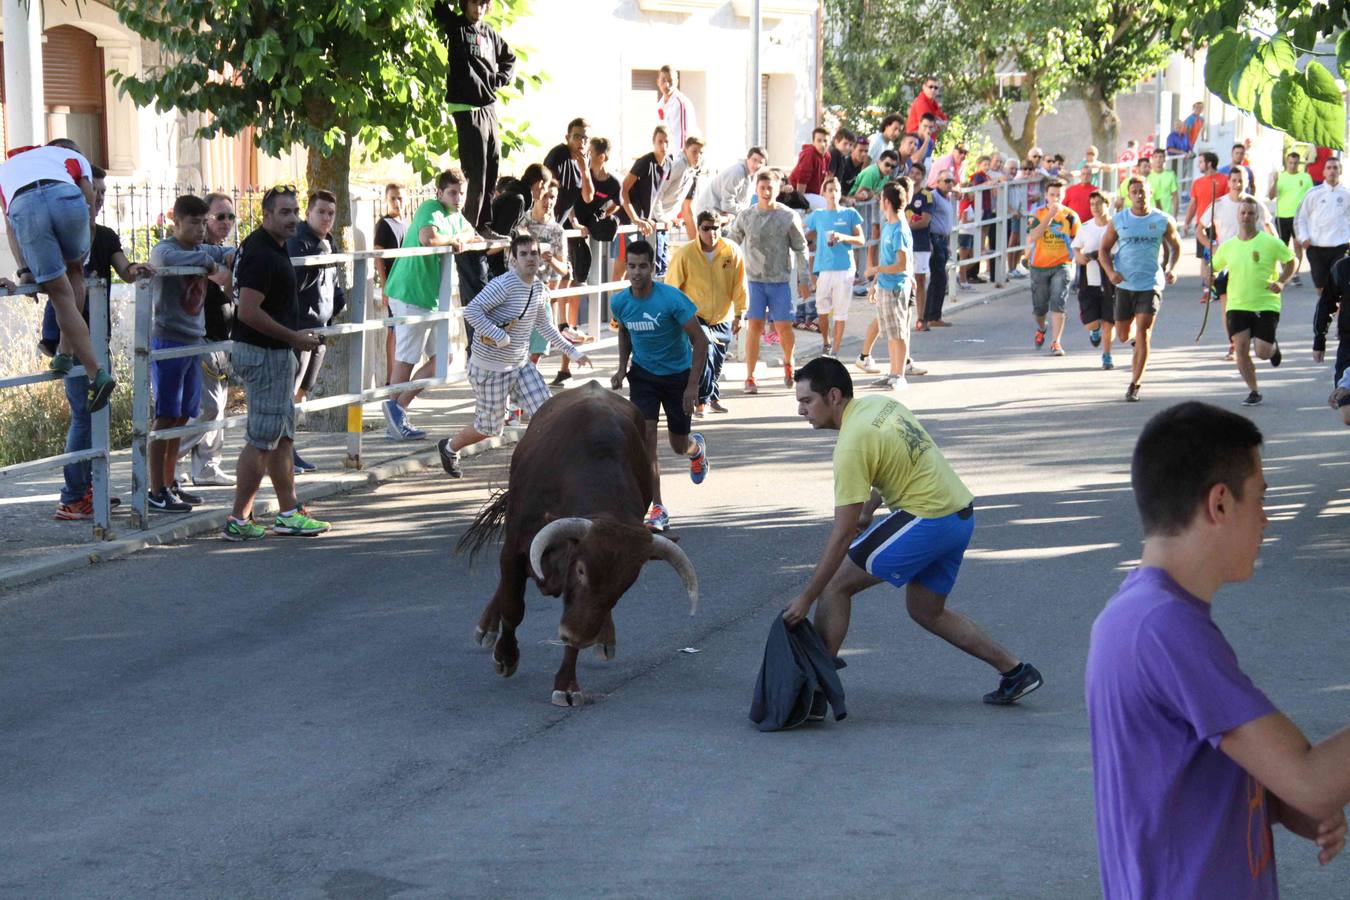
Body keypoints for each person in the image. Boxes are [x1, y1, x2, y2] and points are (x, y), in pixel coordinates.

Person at [1087, 401, 1350, 899]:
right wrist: (1307, 789)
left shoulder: (1147, 615)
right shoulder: (1165, 629)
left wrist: (1283, 800)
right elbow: (1312, 780)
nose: (1267, 521)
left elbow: (1177, 772)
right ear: (1221, 504)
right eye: (1261, 499)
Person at [785, 356, 1043, 705]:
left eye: (806, 401)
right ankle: (1015, 671)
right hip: (959, 515)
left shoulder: (851, 444)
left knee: (835, 585)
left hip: (929, 519)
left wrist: (806, 597)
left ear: (833, 396)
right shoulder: (881, 405)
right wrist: (870, 507)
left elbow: (843, 533)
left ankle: (816, 690)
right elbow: (901, 457)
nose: (801, 410)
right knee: (926, 611)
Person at [223, 186, 331, 540]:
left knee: (282, 437)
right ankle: (239, 520)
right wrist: (293, 337)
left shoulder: (270, 247)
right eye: (284, 212)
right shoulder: (260, 253)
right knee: (261, 439)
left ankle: (288, 512)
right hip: (265, 353)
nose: (292, 218)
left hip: (274, 352)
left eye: (295, 211)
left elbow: (234, 288)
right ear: (266, 215)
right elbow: (248, 311)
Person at [438, 233, 592, 478]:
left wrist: (573, 352)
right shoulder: (504, 285)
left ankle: (549, 466)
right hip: (490, 368)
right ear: (513, 259)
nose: (530, 258)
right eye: (524, 254)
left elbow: (546, 326)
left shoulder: (539, 289)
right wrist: (498, 335)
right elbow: (472, 311)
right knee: (489, 428)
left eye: (534, 253)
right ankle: (449, 448)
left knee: (546, 411)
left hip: (520, 365)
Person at [51, 166, 154, 521]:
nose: (95, 199)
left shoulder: (106, 236)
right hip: (71, 342)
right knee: (84, 414)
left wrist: (137, 270)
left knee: (97, 415)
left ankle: (89, 486)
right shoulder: (60, 236)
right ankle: (73, 496)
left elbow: (124, 269)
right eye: (90, 191)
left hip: (100, 339)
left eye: (101, 193)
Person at [1, 139, 116, 411]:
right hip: (68, 200)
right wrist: (84, 244)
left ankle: (95, 372)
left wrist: (25, 270)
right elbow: (88, 196)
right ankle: (66, 353)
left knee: (59, 292)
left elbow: (10, 226)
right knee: (75, 271)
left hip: (26, 206)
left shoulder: (7, 167)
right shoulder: (72, 157)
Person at [609, 239, 710, 533]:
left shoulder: (671, 299)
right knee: (647, 438)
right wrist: (620, 367)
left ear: (652, 268)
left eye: (643, 266)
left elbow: (700, 341)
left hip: (678, 376)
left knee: (678, 445)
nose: (637, 272)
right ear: (626, 268)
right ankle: (657, 507)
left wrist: (692, 386)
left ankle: (695, 449)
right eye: (631, 266)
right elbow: (625, 332)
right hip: (643, 376)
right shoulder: (620, 302)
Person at [146, 195, 235, 514]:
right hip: (169, 341)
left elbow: (226, 252)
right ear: (177, 223)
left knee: (183, 415)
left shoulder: (200, 249)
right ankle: (155, 488)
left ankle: (170, 483)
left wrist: (224, 258)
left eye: (203, 222)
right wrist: (207, 265)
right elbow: (166, 262)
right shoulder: (166, 249)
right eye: (194, 222)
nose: (200, 229)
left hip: (194, 340)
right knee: (165, 417)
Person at [382, 169, 478, 440]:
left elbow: (470, 230)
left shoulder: (454, 215)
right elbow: (429, 238)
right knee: (407, 358)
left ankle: (397, 408)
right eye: (453, 193)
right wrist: (454, 240)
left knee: (443, 359)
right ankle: (394, 415)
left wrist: (463, 237)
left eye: (461, 193)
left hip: (431, 297)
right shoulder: (431, 208)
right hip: (411, 292)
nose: (458, 198)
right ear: (440, 193)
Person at [434, 0, 515, 239]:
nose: (478, 7)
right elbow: (437, 7)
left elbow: (509, 60)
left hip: (489, 107)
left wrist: (498, 80)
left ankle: (484, 226)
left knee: (492, 167)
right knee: (476, 170)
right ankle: (466, 228)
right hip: (466, 107)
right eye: (473, 2)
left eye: (483, 2)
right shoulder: (456, 26)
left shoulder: (491, 35)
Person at [725, 169, 810, 393]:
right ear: (756, 189)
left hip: (780, 279)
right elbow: (732, 242)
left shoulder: (788, 216)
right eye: (762, 188)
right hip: (753, 280)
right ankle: (750, 377)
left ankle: (789, 362)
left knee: (783, 326)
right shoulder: (747, 215)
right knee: (754, 326)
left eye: (770, 188)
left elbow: (801, 247)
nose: (765, 192)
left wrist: (804, 278)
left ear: (778, 188)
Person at [1098, 176, 1181, 403]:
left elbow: (1176, 247)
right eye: (1134, 192)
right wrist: (1111, 273)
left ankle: (1135, 384)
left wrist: (1172, 268)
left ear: (1150, 192)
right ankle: (1132, 336)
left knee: (1144, 332)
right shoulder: (1119, 220)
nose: (1139, 195)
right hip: (1124, 284)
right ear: (1128, 195)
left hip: (1150, 284)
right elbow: (1103, 250)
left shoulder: (1162, 220)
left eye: (1142, 191)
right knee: (1123, 335)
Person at [1211, 197, 1295, 407]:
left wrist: (1282, 281)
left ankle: (1273, 349)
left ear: (1257, 216)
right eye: (1243, 213)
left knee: (1262, 352)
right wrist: (1208, 274)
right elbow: (1213, 266)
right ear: (1237, 216)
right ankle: (1253, 390)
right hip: (1237, 304)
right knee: (1240, 347)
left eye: (1250, 213)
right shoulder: (1228, 246)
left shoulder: (1270, 242)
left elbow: (1291, 261)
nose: (1246, 216)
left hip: (1266, 303)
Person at [178, 192, 237, 488]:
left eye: (230, 216)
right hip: (200, 336)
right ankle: (166, 457)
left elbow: (233, 288)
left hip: (222, 335)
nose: (226, 222)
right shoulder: (196, 252)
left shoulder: (225, 252)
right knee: (207, 407)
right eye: (219, 217)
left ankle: (208, 466)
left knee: (219, 405)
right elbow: (226, 281)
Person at [287, 190, 346, 474]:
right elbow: (295, 281)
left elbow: (331, 277)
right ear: (308, 213)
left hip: (320, 327)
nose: (326, 218)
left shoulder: (327, 242)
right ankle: (284, 452)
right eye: (320, 212)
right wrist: (320, 257)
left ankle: (289, 449)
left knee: (302, 392)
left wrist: (338, 300)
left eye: (330, 213)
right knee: (290, 390)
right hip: (299, 327)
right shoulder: (298, 241)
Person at [666, 210, 747, 417]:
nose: (711, 232)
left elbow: (740, 284)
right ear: (698, 229)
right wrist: (671, 317)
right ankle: (702, 400)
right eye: (706, 228)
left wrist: (740, 312)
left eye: (715, 228)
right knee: (706, 350)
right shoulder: (685, 254)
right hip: (695, 315)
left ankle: (713, 395)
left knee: (717, 360)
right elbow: (672, 288)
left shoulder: (732, 251)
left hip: (723, 315)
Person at [863, 180, 916, 390]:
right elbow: (887, 260)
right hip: (885, 285)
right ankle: (893, 372)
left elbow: (901, 264)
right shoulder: (888, 226)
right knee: (890, 333)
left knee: (899, 332)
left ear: (886, 201)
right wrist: (875, 283)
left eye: (881, 199)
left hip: (896, 286)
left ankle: (899, 375)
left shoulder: (900, 229)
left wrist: (876, 270)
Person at [803, 177, 865, 356]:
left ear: (840, 193)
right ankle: (826, 342)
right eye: (829, 190)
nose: (832, 193)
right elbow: (805, 230)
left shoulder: (850, 213)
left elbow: (861, 239)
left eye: (836, 190)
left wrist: (842, 237)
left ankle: (836, 350)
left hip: (844, 268)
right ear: (823, 193)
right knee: (822, 309)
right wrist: (806, 242)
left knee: (840, 311)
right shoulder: (818, 214)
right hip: (824, 268)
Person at [1025, 178, 1080, 357]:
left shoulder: (1071, 216)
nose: (1055, 198)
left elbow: (1076, 240)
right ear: (1045, 196)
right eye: (1052, 195)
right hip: (1039, 265)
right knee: (1040, 308)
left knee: (1058, 301)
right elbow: (1033, 236)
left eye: (1059, 195)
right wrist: (1049, 216)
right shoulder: (1037, 213)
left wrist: (1076, 256)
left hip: (1062, 264)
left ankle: (1056, 342)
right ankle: (1042, 327)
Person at [1293, 158, 1350, 319]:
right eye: (1329, 167)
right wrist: (1303, 237)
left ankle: (1341, 325)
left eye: (1335, 167)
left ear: (1340, 171)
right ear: (1324, 172)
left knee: (1340, 285)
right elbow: (1300, 218)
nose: (1332, 171)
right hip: (1317, 248)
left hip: (1340, 247)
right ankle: (1329, 312)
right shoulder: (1313, 194)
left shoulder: (1346, 194)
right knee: (1322, 288)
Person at [1071, 190, 1116, 371]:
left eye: (1099, 203)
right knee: (1092, 322)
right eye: (1092, 204)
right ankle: (1094, 331)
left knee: (1108, 321)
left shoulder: (1115, 226)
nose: (1095, 208)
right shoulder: (1086, 227)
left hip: (1111, 280)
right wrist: (1080, 257)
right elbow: (1075, 247)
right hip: (1089, 280)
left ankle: (1107, 355)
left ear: (1107, 204)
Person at [620, 125, 673, 274]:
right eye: (660, 141)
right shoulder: (644, 162)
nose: (663, 145)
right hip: (627, 217)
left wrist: (656, 218)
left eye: (667, 142)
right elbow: (623, 189)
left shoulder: (668, 164)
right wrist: (635, 218)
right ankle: (616, 298)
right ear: (654, 142)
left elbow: (656, 194)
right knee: (623, 265)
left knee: (638, 266)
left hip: (644, 221)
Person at [1184, 151, 1230, 303]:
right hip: (1202, 225)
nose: (1199, 165)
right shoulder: (1197, 183)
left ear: (1209, 163)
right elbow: (1193, 204)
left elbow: (1229, 202)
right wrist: (1187, 222)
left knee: (1221, 256)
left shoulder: (1224, 180)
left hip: (1220, 224)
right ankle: (1207, 289)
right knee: (1204, 258)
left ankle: (1222, 286)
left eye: (1201, 162)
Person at [373, 183, 406, 386]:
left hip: (407, 286)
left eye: (400, 197)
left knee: (403, 330)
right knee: (393, 330)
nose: (397, 202)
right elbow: (379, 256)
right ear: (386, 199)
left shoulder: (407, 223)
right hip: (393, 286)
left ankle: (400, 377)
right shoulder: (384, 224)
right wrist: (385, 286)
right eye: (393, 198)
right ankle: (390, 379)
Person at [1270, 151, 1312, 286]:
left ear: (1298, 163)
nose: (1293, 165)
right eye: (1290, 163)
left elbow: (1310, 197)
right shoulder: (1281, 177)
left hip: (1298, 217)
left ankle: (1295, 274)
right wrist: (1275, 181)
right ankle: (1286, 273)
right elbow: (1271, 196)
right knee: (1282, 246)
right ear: (1286, 163)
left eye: (1295, 163)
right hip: (1282, 216)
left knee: (1297, 245)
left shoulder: (1305, 177)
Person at [922, 171, 956, 328]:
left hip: (943, 240)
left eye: (951, 180)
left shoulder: (947, 197)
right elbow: (928, 218)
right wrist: (929, 240)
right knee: (938, 278)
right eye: (946, 180)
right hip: (935, 239)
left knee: (940, 278)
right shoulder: (934, 196)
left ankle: (934, 315)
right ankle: (931, 316)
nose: (950, 183)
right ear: (938, 182)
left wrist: (947, 244)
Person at [655, 135, 705, 243]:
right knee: (656, 258)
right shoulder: (680, 166)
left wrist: (670, 218)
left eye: (701, 153)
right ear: (685, 150)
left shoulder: (690, 170)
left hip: (664, 221)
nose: (698, 156)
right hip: (656, 221)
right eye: (694, 151)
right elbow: (658, 192)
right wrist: (662, 218)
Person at [695, 146, 766, 217]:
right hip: (707, 214)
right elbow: (727, 205)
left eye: (761, 162)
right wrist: (747, 213)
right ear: (748, 158)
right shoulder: (737, 172)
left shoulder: (753, 175)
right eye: (754, 160)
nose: (757, 165)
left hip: (720, 216)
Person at [1315, 254, 1350, 384]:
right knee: (1343, 399)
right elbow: (1326, 304)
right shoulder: (1342, 268)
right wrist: (1319, 339)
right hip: (1348, 343)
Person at [656, 65, 699, 152]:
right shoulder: (660, 105)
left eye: (670, 81)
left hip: (682, 159)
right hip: (667, 158)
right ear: (658, 82)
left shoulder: (681, 103)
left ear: (676, 82)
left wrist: (678, 163)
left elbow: (683, 137)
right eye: (663, 80)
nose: (667, 85)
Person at [790, 127, 831, 209]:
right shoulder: (809, 154)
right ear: (813, 142)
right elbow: (802, 180)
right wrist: (800, 204)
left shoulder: (827, 156)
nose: (822, 144)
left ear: (829, 142)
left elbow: (823, 180)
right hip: (797, 193)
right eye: (819, 141)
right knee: (826, 204)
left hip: (812, 194)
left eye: (825, 141)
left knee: (831, 202)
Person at [1145, 149, 1179, 218]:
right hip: (1151, 214)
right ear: (1152, 159)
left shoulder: (1171, 175)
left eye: (1161, 157)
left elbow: (1175, 196)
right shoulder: (1147, 177)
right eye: (1156, 157)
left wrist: (1175, 215)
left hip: (1167, 214)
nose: (1158, 159)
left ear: (1164, 159)